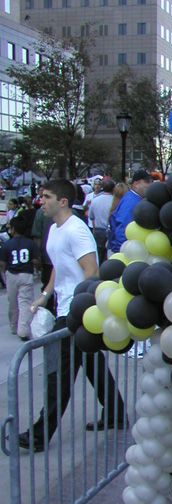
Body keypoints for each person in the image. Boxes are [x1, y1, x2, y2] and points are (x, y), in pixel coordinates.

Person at [18, 179, 125, 453]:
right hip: (64, 306)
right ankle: (116, 413)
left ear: (62, 201)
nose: (41, 200)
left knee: (59, 374)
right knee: (91, 363)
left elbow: (91, 271)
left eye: (47, 196)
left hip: (76, 312)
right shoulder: (55, 229)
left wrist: (80, 309)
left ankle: (40, 434)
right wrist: (45, 294)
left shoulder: (76, 231)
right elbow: (59, 266)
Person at [0, 214, 39, 339]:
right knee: (25, 302)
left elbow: (3, 263)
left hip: (11, 275)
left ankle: (13, 326)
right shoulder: (30, 243)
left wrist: (5, 272)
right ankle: (23, 330)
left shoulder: (7, 245)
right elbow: (36, 261)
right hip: (26, 274)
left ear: (13, 229)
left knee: (12, 302)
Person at [107, 170, 151, 255]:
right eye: (147, 182)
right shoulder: (132, 201)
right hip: (125, 254)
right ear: (136, 184)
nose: (150, 185)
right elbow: (122, 229)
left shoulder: (133, 198)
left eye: (150, 181)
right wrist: (126, 253)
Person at [88, 179, 115, 265]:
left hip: (99, 230)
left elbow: (91, 217)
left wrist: (94, 229)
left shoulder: (95, 200)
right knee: (110, 255)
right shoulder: (115, 201)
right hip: (111, 230)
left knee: (98, 255)